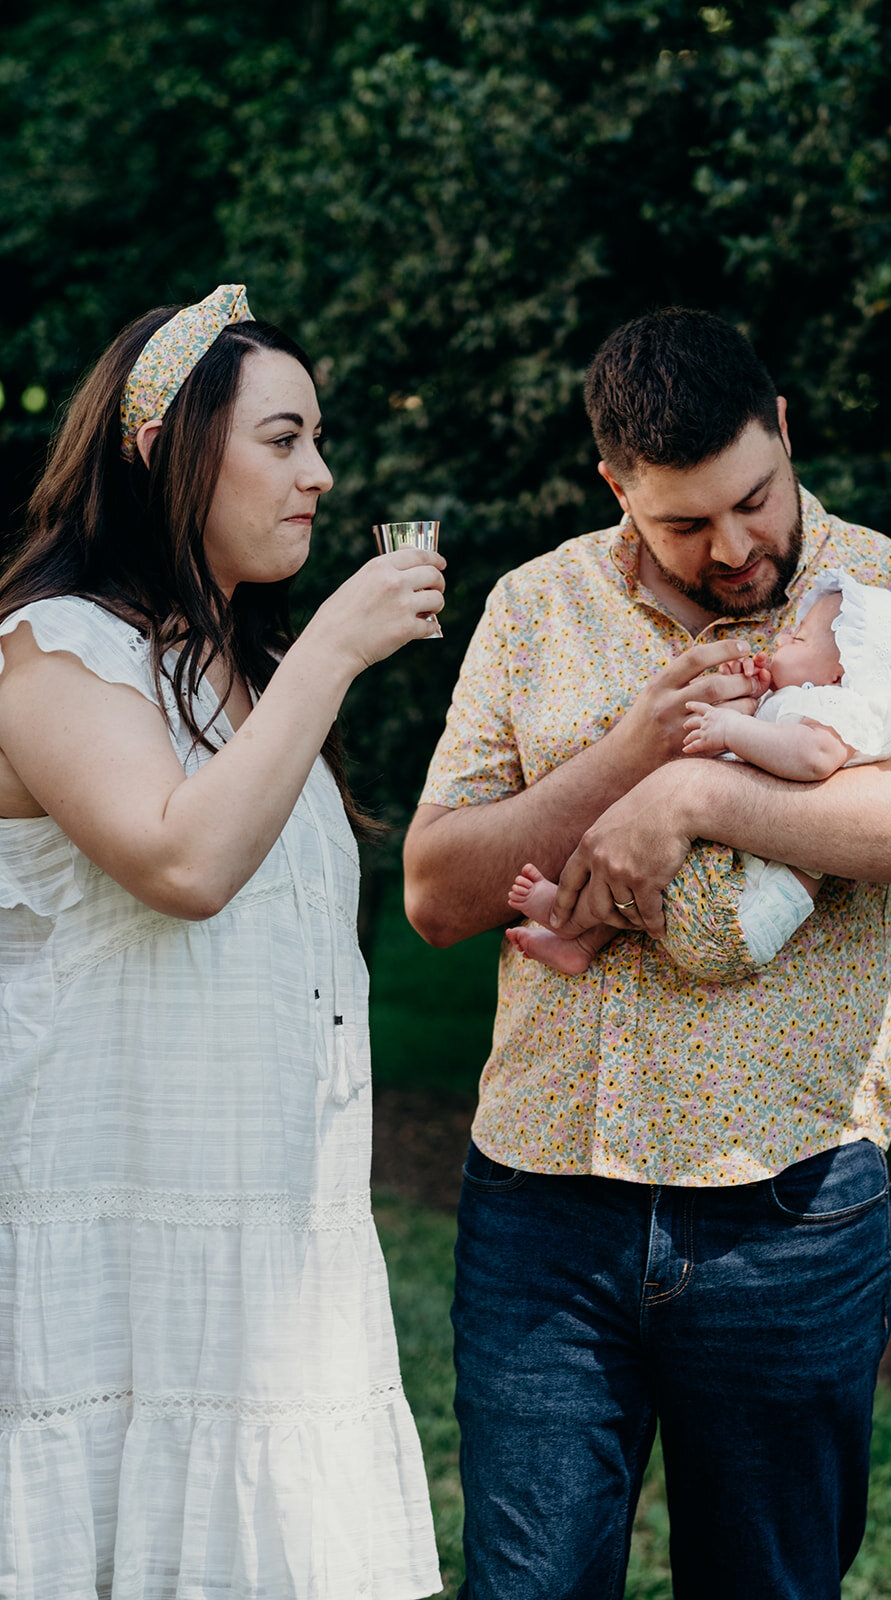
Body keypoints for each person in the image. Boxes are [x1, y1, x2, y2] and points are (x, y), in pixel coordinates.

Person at [403, 307, 891, 1600]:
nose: (734, 546)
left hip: (788, 1213)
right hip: (542, 1208)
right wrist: (626, 758)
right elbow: (433, 893)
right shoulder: (532, 612)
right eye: (685, 522)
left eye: (753, 497)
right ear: (614, 485)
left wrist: (699, 802)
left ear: (783, 429)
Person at [0, 286, 444, 1598]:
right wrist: (340, 649)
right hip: (117, 1248)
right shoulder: (49, 651)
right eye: (283, 439)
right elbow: (181, 860)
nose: (319, 475)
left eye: (318, 443)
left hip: (273, 1248)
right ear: (165, 450)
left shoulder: (237, 680)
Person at [505, 570, 891, 975]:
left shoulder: (843, 713)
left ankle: (568, 917)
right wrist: (753, 695)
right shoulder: (806, 702)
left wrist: (732, 728)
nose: (781, 642)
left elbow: (811, 757)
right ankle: (580, 943)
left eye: (798, 640)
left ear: (842, 674)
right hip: (735, 890)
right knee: (637, 860)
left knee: (650, 868)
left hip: (744, 913)